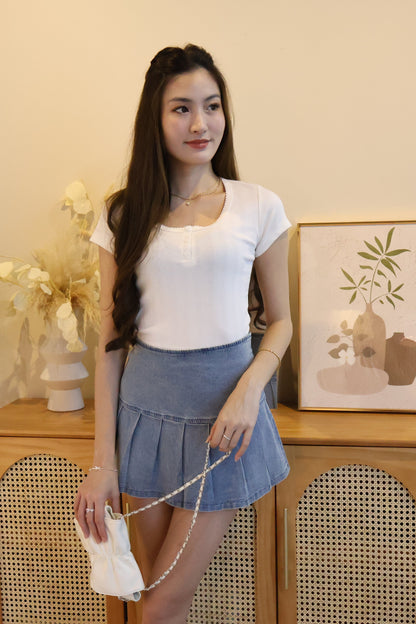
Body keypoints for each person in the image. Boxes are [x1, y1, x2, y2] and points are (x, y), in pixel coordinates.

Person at [75, 43, 292, 624]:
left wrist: (249, 390)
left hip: (223, 421)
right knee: (155, 594)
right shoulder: (122, 214)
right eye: (182, 108)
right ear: (156, 117)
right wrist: (102, 462)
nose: (201, 123)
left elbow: (281, 321)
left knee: (162, 602)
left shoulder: (258, 206)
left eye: (212, 106)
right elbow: (110, 343)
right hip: (143, 417)